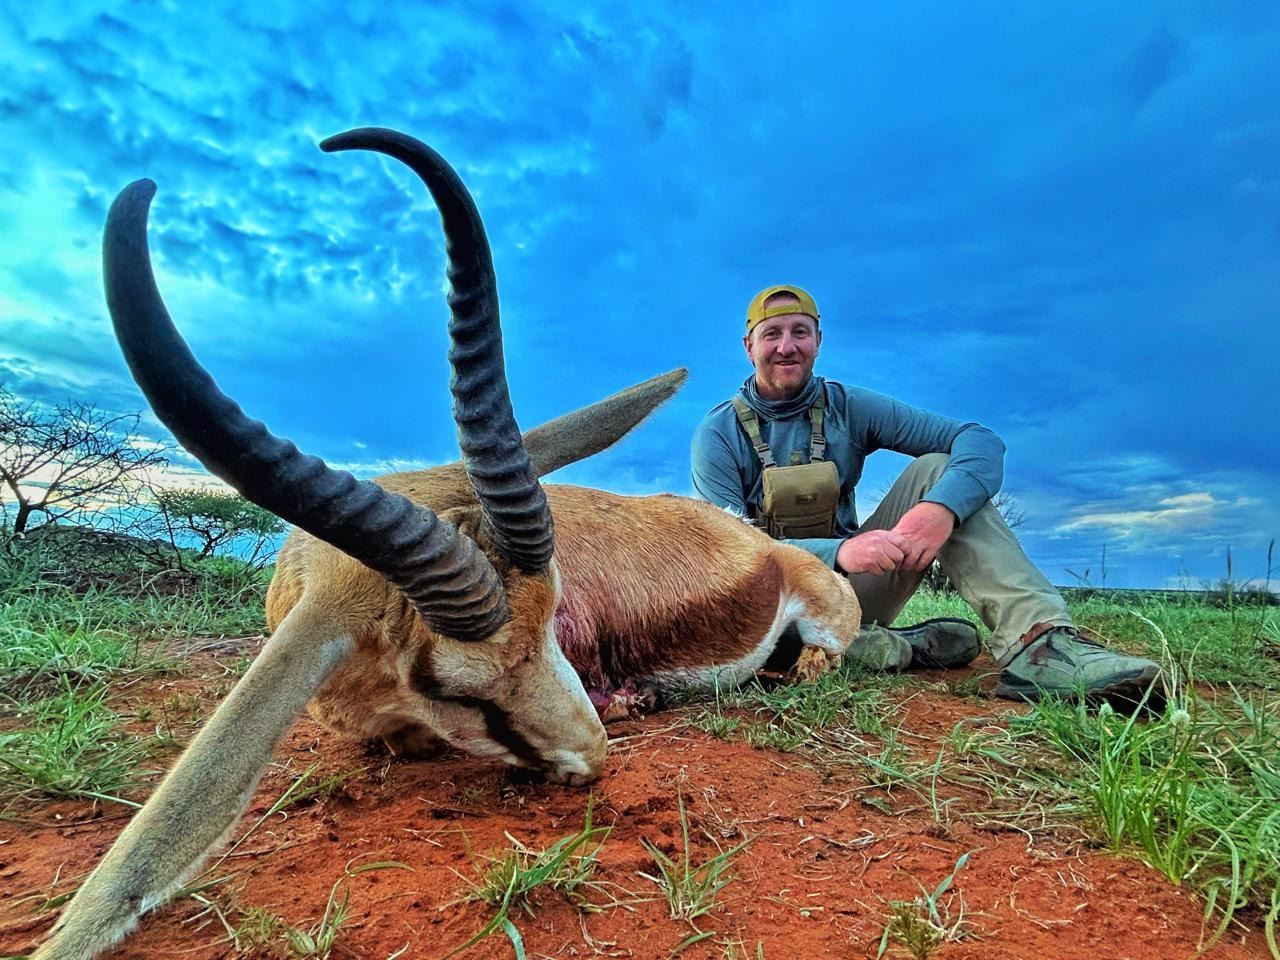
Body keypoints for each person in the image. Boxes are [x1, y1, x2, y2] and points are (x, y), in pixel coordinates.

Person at [691, 284, 1163, 707]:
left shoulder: (849, 406)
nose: (786, 346)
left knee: (938, 468)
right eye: (772, 334)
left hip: (851, 592)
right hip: (767, 613)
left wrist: (940, 510)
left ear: (819, 340)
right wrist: (841, 552)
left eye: (800, 332)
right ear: (749, 346)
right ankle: (896, 648)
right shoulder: (718, 433)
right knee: (743, 632)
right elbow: (728, 555)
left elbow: (978, 441)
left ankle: (1039, 645)